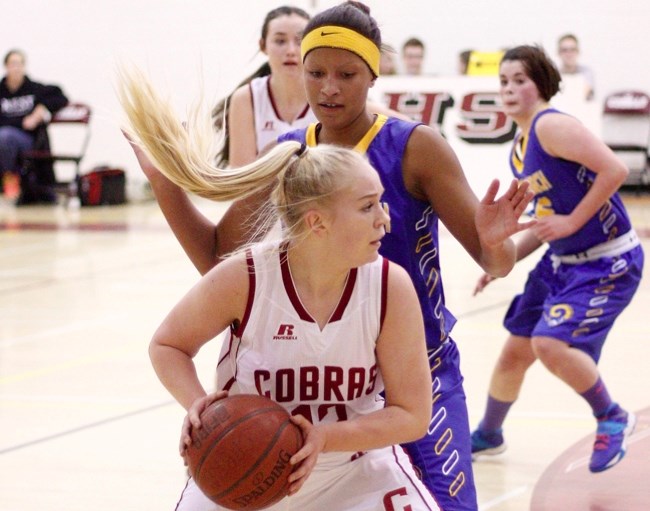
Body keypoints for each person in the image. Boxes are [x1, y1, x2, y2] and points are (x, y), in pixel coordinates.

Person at [122, 2, 534, 509]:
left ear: (373, 75)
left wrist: (493, 242)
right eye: (315, 72)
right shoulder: (290, 155)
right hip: (333, 382)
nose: (329, 88)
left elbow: (496, 263)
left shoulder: (416, 147)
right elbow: (218, 262)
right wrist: (164, 182)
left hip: (416, 372)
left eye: (346, 74)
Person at [121, 77, 443, 508]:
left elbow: (412, 416)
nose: (384, 220)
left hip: (353, 470)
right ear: (317, 223)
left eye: (381, 203)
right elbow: (167, 344)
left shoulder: (389, 285)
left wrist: (323, 438)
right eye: (367, 206)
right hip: (241, 467)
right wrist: (200, 406)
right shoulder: (247, 276)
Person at [470, 45, 642, 474]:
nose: (509, 89)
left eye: (519, 80)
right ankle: (490, 434)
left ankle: (612, 416)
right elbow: (545, 222)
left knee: (549, 343)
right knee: (515, 352)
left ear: (541, 84)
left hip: (607, 260)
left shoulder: (551, 126)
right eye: (503, 82)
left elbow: (615, 170)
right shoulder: (519, 146)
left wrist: (571, 222)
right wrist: (501, 261)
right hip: (563, 262)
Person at [211, 5, 406, 170]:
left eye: (299, 41)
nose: (290, 50)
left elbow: (404, 127)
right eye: (280, 41)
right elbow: (243, 185)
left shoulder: (333, 95)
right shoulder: (248, 97)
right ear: (263, 46)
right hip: (271, 209)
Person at [0, 49, 68, 202]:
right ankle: (9, 176)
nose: (16, 67)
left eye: (19, 64)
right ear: (6, 66)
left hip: (29, 140)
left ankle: (10, 178)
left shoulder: (33, 89)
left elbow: (61, 95)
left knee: (5, 137)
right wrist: (17, 122)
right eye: (13, 63)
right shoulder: (1, 92)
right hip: (5, 140)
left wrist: (41, 109)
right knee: (4, 136)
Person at [557, 34, 595, 101]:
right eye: (565, 50)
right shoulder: (554, 74)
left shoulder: (586, 72)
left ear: (578, 51)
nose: (569, 54)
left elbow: (585, 92)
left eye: (572, 50)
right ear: (558, 52)